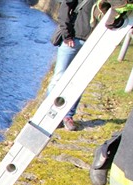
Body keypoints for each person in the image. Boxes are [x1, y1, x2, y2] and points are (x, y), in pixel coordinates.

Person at [47, 0, 98, 131]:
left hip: (93, 43)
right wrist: (67, 35)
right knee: (58, 78)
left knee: (80, 82)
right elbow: (65, 8)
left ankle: (68, 116)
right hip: (73, 40)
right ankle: (49, 113)